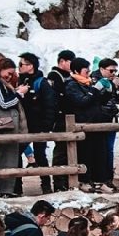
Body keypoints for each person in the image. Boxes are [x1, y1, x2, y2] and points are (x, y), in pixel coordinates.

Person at [65, 57, 111, 193]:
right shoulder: (71, 85)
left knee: (100, 154)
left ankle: (99, 180)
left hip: (96, 123)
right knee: (85, 154)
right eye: (86, 71)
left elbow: (97, 101)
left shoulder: (88, 83)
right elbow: (82, 102)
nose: (88, 73)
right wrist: (95, 90)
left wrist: (106, 91)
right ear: (76, 71)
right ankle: (84, 180)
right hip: (82, 124)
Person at [17, 53, 57, 193]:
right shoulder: (19, 82)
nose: (19, 67)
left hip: (38, 125)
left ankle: (46, 185)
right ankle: (17, 186)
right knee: (17, 153)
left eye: (22, 64)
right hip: (22, 125)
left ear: (30, 66)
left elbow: (50, 104)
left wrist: (46, 125)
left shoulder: (41, 83)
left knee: (40, 155)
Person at [0, 57, 29, 198]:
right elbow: (4, 104)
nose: (9, 76)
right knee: (5, 156)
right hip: (4, 122)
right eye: (8, 72)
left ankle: (6, 190)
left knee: (10, 156)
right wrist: (19, 94)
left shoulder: (2, 83)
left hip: (9, 122)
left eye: (12, 74)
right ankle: (3, 190)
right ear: (1, 69)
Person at [90, 58, 119, 190]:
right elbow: (96, 99)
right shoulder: (96, 81)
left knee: (109, 150)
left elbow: (114, 99)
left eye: (115, 70)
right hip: (99, 120)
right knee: (100, 150)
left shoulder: (110, 83)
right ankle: (100, 178)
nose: (113, 73)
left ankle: (108, 178)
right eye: (111, 70)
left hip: (111, 120)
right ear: (102, 69)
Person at [47, 50, 75, 191]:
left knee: (70, 151)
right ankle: (58, 182)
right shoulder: (54, 76)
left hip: (70, 118)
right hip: (60, 118)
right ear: (62, 61)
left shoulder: (69, 76)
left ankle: (68, 180)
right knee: (61, 151)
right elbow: (58, 96)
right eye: (70, 61)